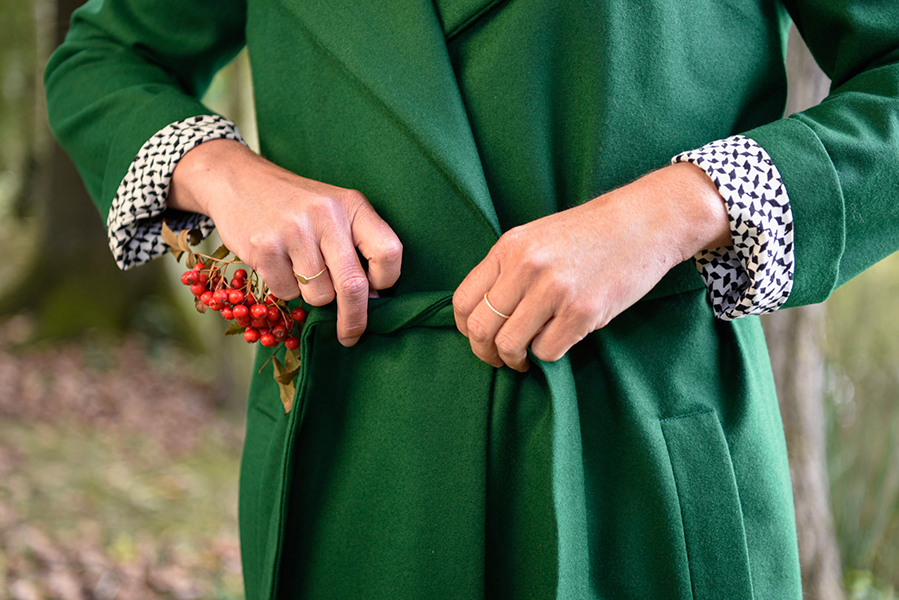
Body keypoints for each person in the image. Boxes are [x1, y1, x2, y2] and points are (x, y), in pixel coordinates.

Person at [44, 0, 899, 598]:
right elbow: (105, 60)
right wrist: (226, 175)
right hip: (365, 463)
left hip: (642, 456)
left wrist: (677, 211)